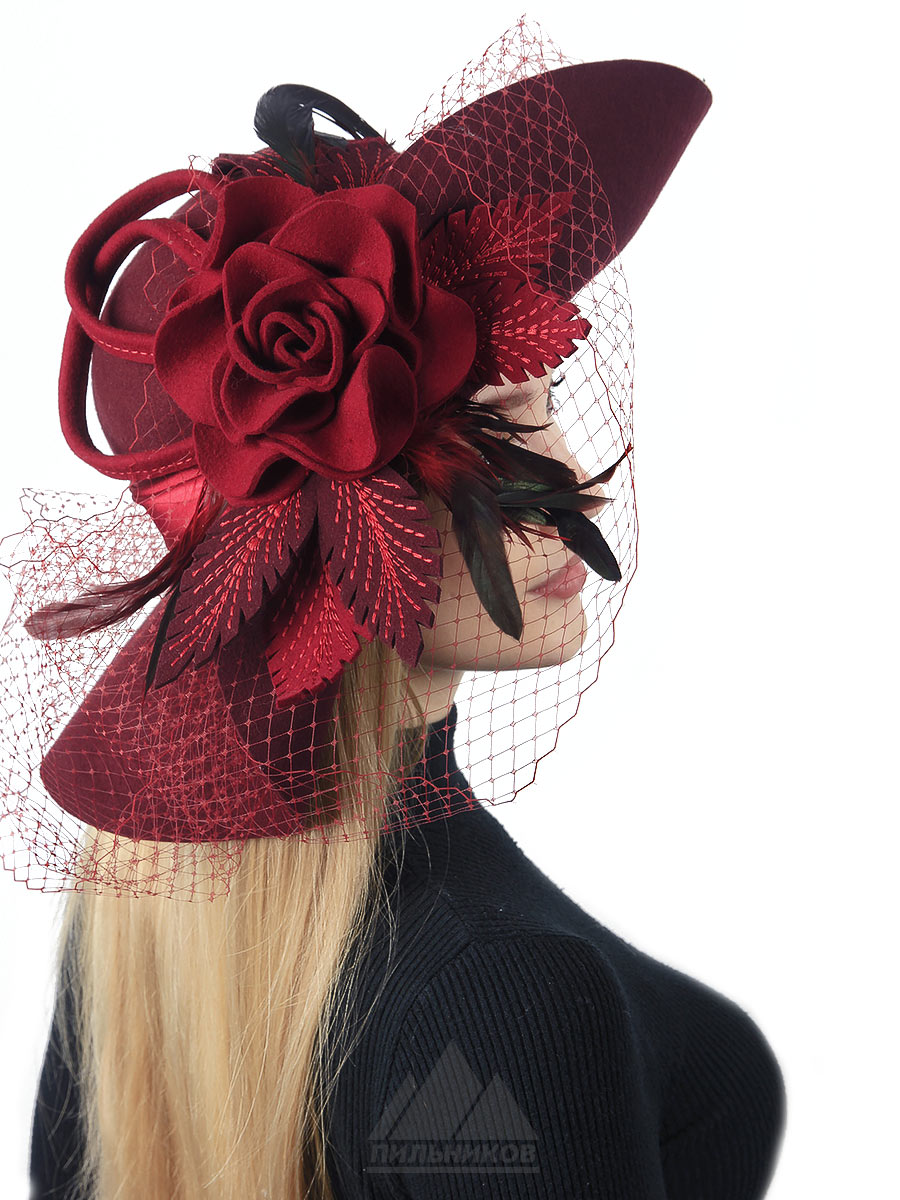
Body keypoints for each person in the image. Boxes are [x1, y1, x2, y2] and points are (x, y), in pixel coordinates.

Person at [3, 20, 786, 1200]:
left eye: (548, 407)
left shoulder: (148, 930)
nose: (578, 482)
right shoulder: (509, 994)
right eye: (496, 431)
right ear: (325, 518)